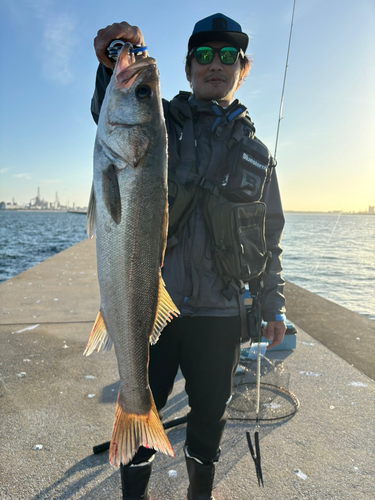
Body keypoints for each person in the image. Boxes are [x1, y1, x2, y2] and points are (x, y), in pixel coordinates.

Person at [91, 13, 286, 500]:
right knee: (142, 404)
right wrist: (114, 62)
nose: (214, 64)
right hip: (156, 302)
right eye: (203, 54)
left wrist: (272, 302)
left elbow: (270, 232)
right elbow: (112, 114)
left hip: (221, 312)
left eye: (227, 55)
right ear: (187, 67)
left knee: (208, 419)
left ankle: (201, 493)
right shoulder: (163, 123)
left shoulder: (258, 152)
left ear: (242, 68)